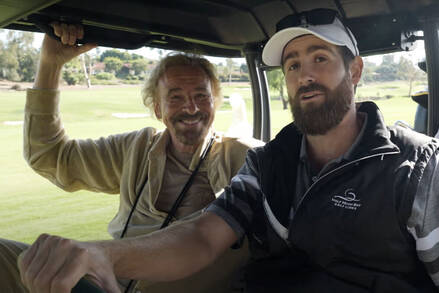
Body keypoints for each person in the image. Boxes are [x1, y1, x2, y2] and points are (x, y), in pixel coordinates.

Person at [18, 9, 439, 293]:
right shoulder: (269, 164)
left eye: (320, 58)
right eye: (294, 64)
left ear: (356, 71)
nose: (304, 74)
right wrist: (103, 254)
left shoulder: (416, 168)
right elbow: (200, 238)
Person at [0, 22, 263, 292]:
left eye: (201, 96)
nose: (191, 107)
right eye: (176, 97)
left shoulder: (243, 157)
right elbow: (49, 155)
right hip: (105, 284)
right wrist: (49, 65)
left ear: (214, 103)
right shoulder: (135, 149)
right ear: (158, 109)